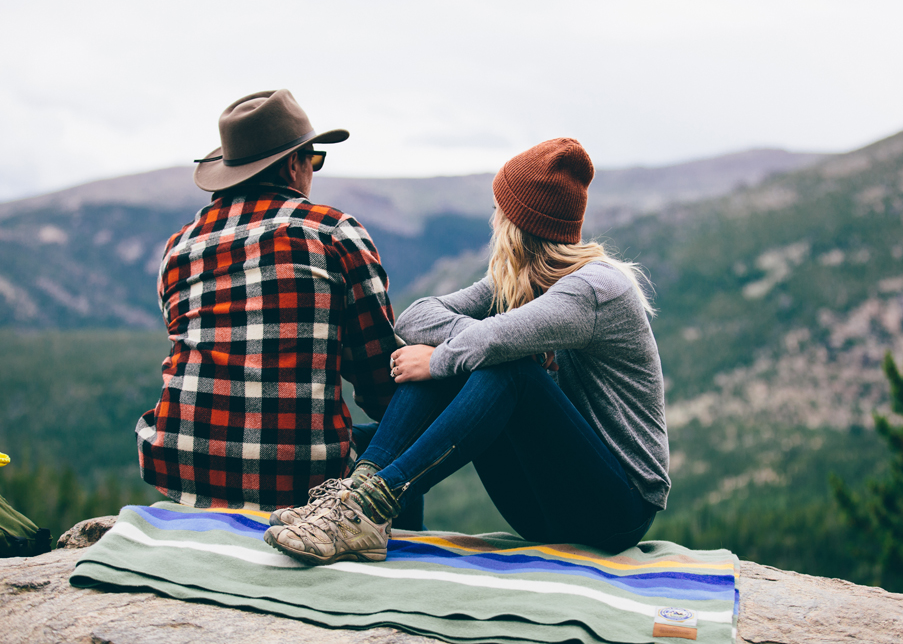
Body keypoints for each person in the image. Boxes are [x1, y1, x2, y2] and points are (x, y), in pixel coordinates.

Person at [264, 137, 670, 565]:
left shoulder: (595, 289)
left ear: (515, 221)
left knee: (506, 369)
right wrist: (459, 349)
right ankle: (357, 497)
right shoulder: (516, 283)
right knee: (473, 355)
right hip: (542, 506)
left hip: (616, 510)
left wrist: (441, 359)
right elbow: (417, 318)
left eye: (500, 208)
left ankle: (376, 505)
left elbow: (493, 343)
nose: (494, 218)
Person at [135, 89, 399, 512]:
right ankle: (384, 551)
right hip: (298, 480)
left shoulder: (178, 247)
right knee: (394, 449)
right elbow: (378, 379)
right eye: (313, 158)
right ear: (294, 164)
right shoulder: (330, 231)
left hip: (183, 464)